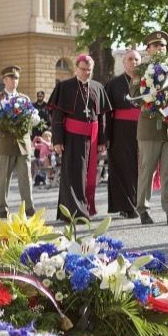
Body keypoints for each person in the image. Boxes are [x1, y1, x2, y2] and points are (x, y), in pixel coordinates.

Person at [50, 55, 111, 219]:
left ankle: (81, 209)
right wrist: (57, 140)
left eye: (89, 70)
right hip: (71, 137)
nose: (86, 73)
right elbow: (57, 115)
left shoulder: (98, 87)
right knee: (72, 174)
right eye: (83, 69)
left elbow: (102, 116)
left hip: (91, 138)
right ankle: (75, 213)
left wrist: (103, 140)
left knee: (87, 174)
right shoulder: (65, 86)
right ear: (76, 69)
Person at [133, 32, 168, 226]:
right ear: (148, 49)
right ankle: (143, 209)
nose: (160, 48)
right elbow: (135, 95)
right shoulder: (141, 70)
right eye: (155, 46)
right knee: (147, 172)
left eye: (162, 45)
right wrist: (154, 96)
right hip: (149, 127)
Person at [0, 66, 36, 219]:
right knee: (4, 178)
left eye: (16, 78)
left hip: (23, 142)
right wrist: (8, 123)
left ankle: (29, 207)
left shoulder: (24, 99)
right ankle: (3, 208)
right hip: (6, 141)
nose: (14, 81)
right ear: (4, 80)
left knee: (26, 178)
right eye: (11, 78)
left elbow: (31, 120)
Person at [105, 49, 142, 218]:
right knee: (122, 169)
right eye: (130, 59)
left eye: (136, 59)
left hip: (142, 130)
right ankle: (126, 206)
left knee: (140, 168)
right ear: (123, 62)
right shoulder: (113, 84)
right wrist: (106, 137)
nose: (133, 62)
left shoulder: (147, 82)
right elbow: (106, 113)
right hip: (120, 132)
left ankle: (140, 203)